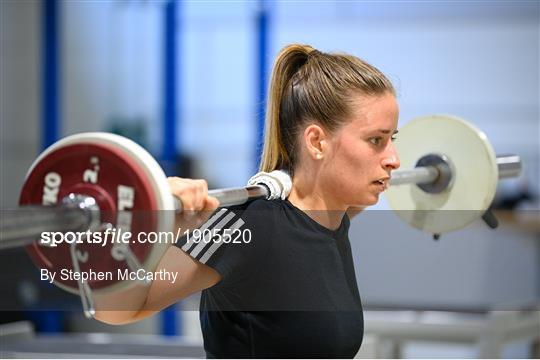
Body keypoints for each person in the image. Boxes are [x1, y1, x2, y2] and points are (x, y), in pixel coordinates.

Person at [95, 44, 400, 358]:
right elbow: (115, 312)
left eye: (393, 139)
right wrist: (152, 223)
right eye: (376, 140)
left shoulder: (333, 217)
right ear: (317, 141)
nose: (394, 159)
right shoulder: (253, 225)